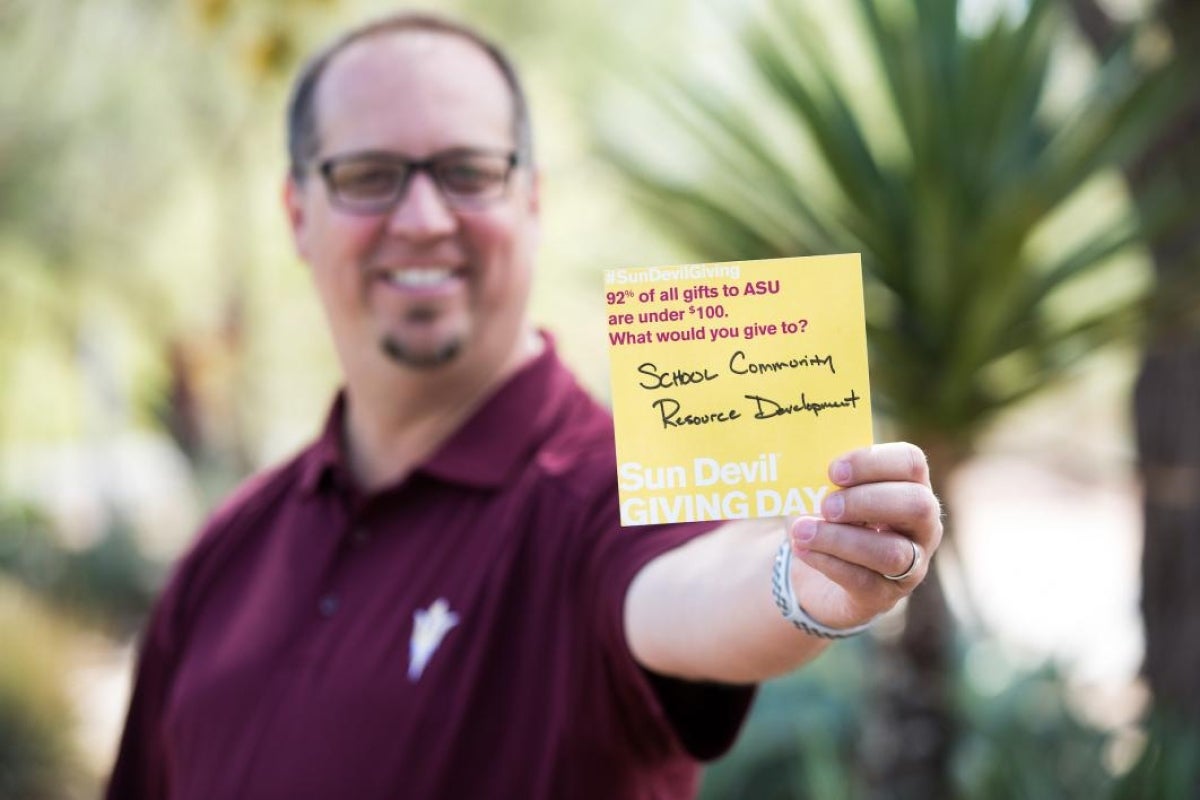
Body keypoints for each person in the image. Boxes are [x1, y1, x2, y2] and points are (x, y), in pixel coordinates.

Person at [106, 11, 942, 799]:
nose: (425, 219)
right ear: (298, 214)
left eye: (468, 173)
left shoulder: (604, 498)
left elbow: (693, 585)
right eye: (369, 177)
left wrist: (806, 582)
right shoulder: (223, 556)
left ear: (531, 202)